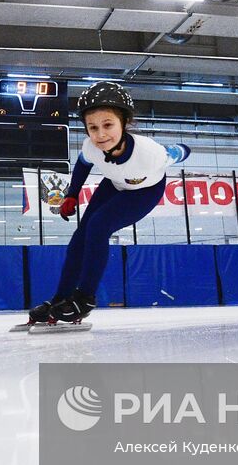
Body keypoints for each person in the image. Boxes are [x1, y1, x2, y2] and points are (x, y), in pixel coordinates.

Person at [24, 82, 189, 328]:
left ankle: (85, 298)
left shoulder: (150, 153)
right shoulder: (91, 146)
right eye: (93, 127)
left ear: (125, 122)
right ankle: (61, 298)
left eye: (108, 125)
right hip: (113, 184)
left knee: (99, 225)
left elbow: (181, 151)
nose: (100, 135)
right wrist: (72, 194)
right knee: (80, 238)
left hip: (144, 191)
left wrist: (181, 149)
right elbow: (82, 163)